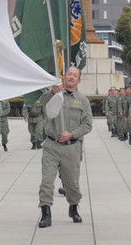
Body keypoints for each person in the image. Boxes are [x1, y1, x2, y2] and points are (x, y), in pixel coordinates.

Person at [37, 67, 92, 228]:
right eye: (69, 74)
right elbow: (42, 104)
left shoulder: (83, 101)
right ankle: (46, 213)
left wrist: (72, 134)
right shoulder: (53, 96)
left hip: (71, 147)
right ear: (64, 77)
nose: (72, 77)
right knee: (47, 181)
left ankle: (73, 208)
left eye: (75, 75)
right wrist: (53, 92)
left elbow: (87, 124)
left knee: (72, 184)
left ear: (79, 80)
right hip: (51, 146)